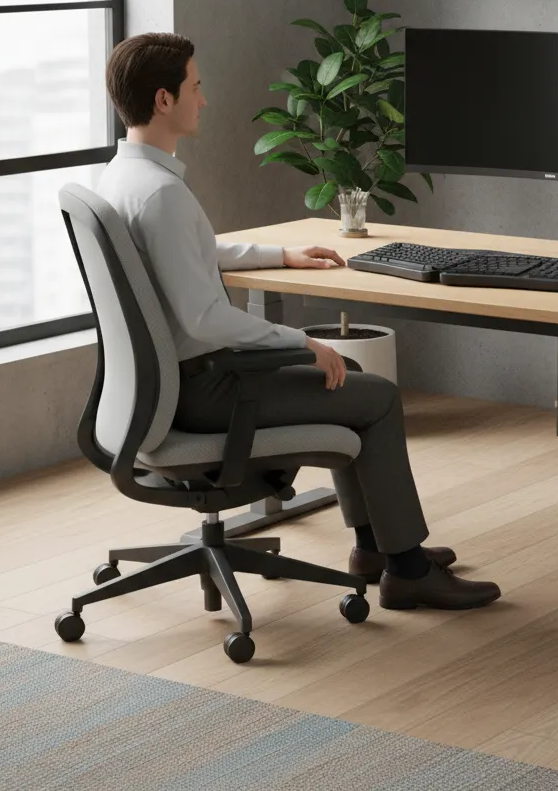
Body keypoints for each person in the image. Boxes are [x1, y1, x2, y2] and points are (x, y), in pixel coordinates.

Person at [96, 32, 500, 611]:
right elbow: (204, 316)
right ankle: (407, 570)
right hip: (204, 390)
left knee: (351, 378)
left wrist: (276, 254)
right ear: (164, 101)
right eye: (196, 86)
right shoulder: (162, 194)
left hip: (160, 387)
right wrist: (301, 341)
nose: (203, 100)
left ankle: (372, 548)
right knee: (377, 395)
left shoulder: (125, 179)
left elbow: (190, 255)